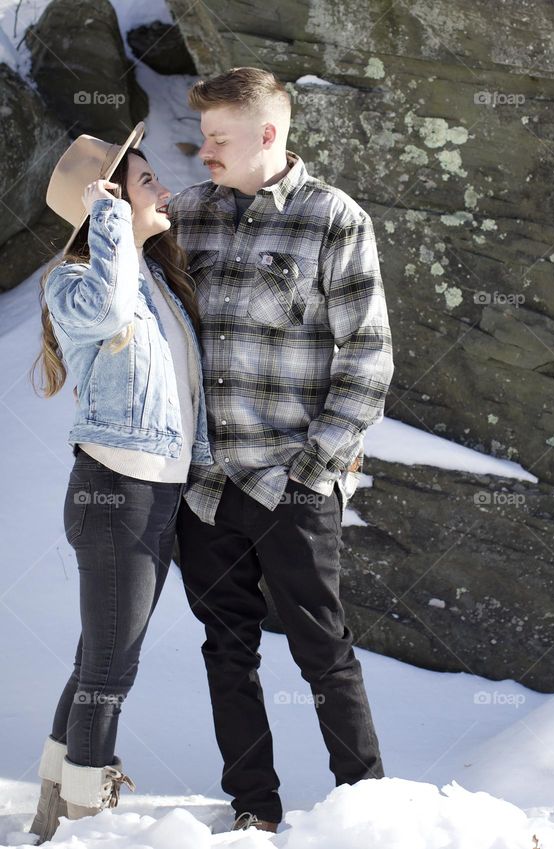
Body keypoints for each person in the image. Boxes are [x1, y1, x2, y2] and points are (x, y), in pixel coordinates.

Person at [169, 67, 394, 832]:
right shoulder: (187, 216)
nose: (204, 152)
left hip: (291, 485)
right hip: (205, 486)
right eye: (202, 138)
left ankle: (364, 812)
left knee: (323, 652)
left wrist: (313, 469)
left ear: (268, 134)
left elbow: (368, 358)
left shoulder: (333, 219)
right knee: (225, 651)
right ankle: (254, 812)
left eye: (218, 138)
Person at [27, 124, 212, 843]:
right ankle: (85, 821)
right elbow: (108, 309)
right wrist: (107, 218)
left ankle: (52, 817)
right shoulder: (75, 282)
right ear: (104, 201)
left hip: (158, 497)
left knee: (94, 661)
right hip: (115, 494)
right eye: (143, 182)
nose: (161, 188)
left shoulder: (157, 279)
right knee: (110, 669)